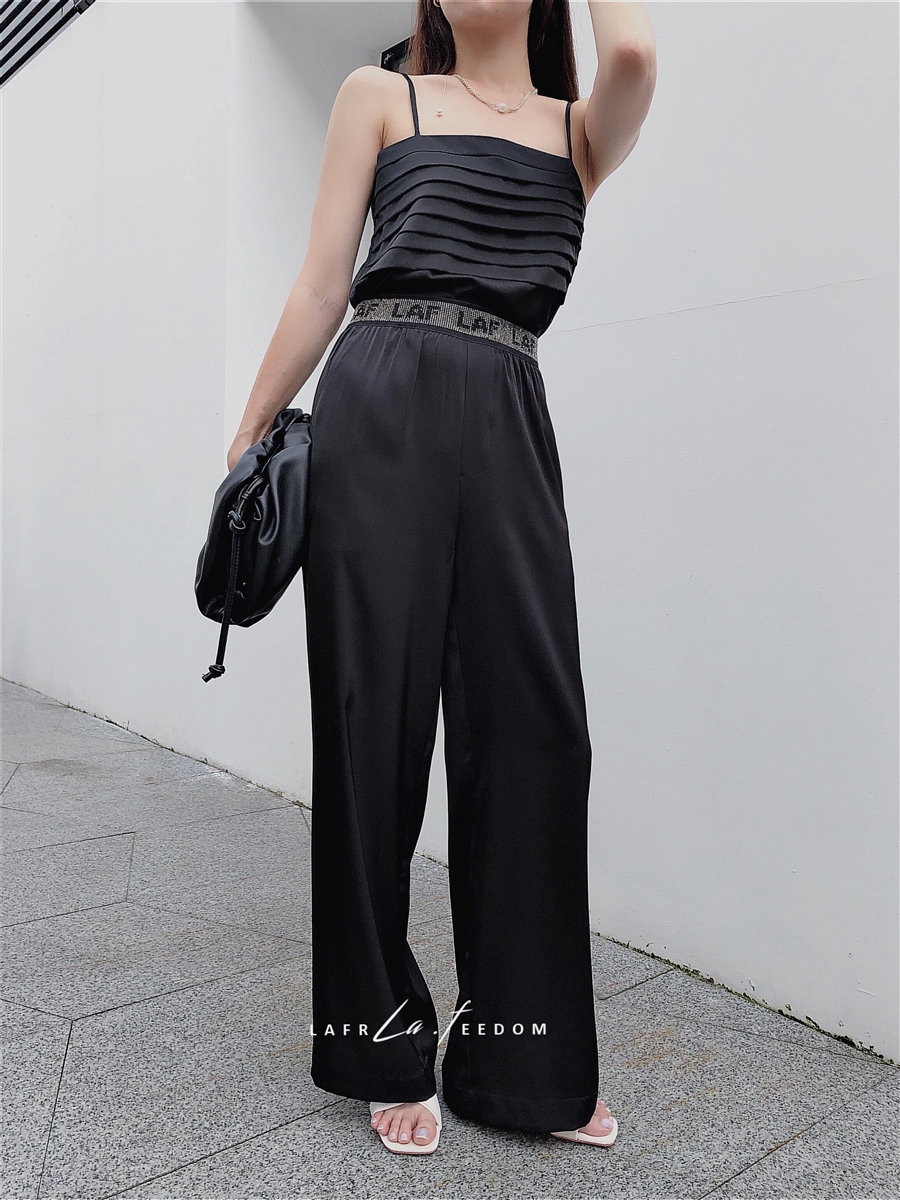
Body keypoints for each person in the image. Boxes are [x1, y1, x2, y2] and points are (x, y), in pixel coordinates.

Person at [226, 0, 656, 1157]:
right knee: (373, 724)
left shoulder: (580, 129)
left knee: (538, 734)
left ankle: (526, 1059)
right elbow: (322, 285)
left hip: (509, 410)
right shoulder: (383, 97)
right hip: (379, 401)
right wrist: (250, 438)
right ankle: (381, 1043)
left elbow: (633, 50)